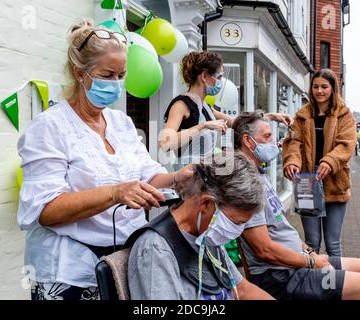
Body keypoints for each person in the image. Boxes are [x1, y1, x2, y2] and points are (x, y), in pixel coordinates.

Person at [17, 19, 191, 300]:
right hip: (69, 274)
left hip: (121, 265)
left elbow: (148, 176)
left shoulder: (120, 123)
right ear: (80, 73)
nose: (116, 84)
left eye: (121, 75)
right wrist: (115, 193)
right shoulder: (50, 127)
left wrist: (178, 178)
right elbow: (45, 210)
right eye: (107, 75)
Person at [232, 111, 360, 300]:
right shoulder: (244, 182)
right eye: (267, 137)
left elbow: (283, 231)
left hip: (298, 263)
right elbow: (264, 249)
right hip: (283, 276)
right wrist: (312, 262)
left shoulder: (260, 174)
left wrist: (310, 252)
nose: (274, 142)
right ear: (249, 141)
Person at [127, 154, 274, 300]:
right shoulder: (156, 250)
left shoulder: (206, 232)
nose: (237, 231)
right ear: (206, 204)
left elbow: (241, 289)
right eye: (236, 222)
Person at [160, 51, 292, 170]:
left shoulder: (205, 107)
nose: (221, 82)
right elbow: (166, 143)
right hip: (186, 181)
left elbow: (239, 123)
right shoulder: (181, 105)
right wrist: (203, 126)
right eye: (219, 77)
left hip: (204, 177)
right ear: (204, 76)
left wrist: (270, 117)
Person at [283, 69, 357, 257]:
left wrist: (330, 161)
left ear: (333, 89)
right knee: (311, 243)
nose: (320, 91)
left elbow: (346, 145)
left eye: (324, 86)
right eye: (315, 86)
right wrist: (292, 161)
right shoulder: (302, 115)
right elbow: (294, 143)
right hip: (307, 184)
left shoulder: (344, 115)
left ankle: (333, 285)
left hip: (335, 184)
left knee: (333, 244)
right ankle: (313, 284)